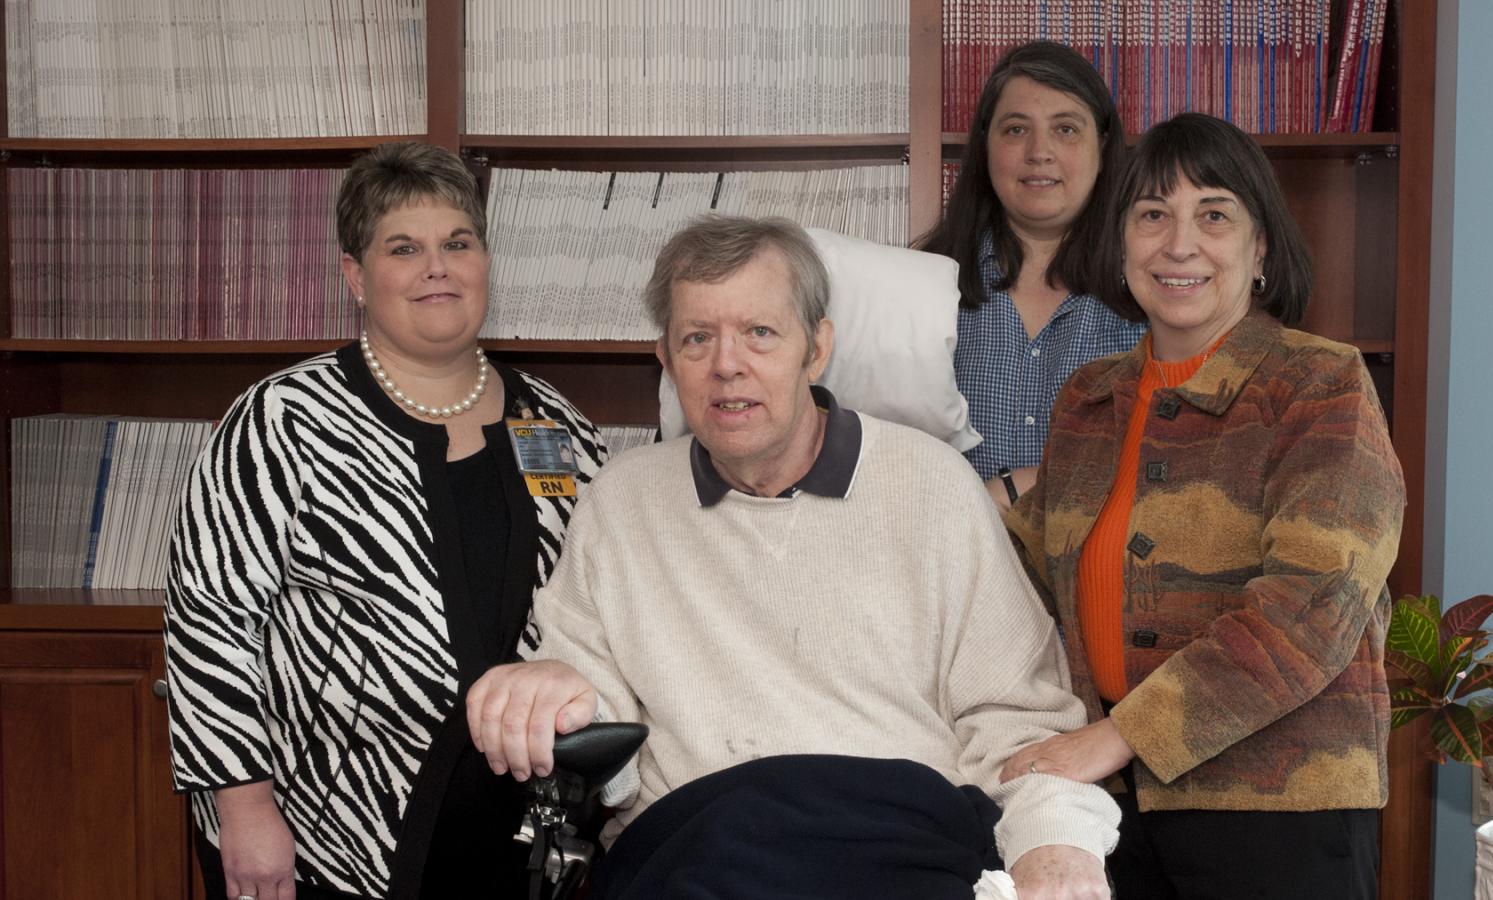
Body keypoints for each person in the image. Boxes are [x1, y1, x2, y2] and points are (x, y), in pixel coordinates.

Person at [466, 214, 1121, 900]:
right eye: (697, 338)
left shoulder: (931, 484)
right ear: (665, 358)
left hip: (904, 840)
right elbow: (595, 725)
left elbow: (1020, 718)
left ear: (816, 350)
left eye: (760, 334)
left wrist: (1055, 846)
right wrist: (549, 694)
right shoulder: (620, 503)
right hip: (701, 848)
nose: (727, 364)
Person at [162, 141, 605, 900]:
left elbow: (602, 609)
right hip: (324, 833)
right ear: (356, 276)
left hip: (518, 835)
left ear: (484, 263)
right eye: (405, 248)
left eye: (457, 243)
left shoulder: (558, 423)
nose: (438, 266)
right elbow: (211, 621)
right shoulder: (282, 420)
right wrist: (245, 809)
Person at [1001, 113, 1405, 899]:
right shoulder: (1090, 398)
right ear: (1121, 245)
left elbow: (1309, 608)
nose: (1178, 244)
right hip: (1112, 811)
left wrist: (1117, 737)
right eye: (1152, 215)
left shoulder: (1322, 385)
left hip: (1280, 809)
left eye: (1213, 214)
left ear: (1259, 250)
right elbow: (1017, 568)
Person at [917, 41, 1144, 509]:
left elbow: (1186, 458)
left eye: (1065, 129)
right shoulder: (921, 287)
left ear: (1102, 147)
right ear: (985, 147)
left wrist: (1017, 488)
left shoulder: (1152, 290)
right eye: (1016, 129)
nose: (1040, 152)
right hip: (955, 569)